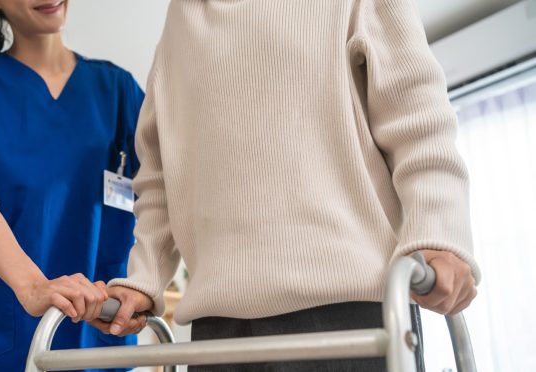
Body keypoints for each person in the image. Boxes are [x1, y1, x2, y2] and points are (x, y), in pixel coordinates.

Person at [89, 0, 482, 371]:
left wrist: (438, 232)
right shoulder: (181, 18)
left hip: (348, 315)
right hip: (218, 331)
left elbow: (417, 120)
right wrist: (144, 278)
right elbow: (158, 174)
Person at [0, 0, 144, 370]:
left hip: (94, 328)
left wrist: (146, 284)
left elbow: (162, 195)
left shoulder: (118, 90)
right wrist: (33, 286)